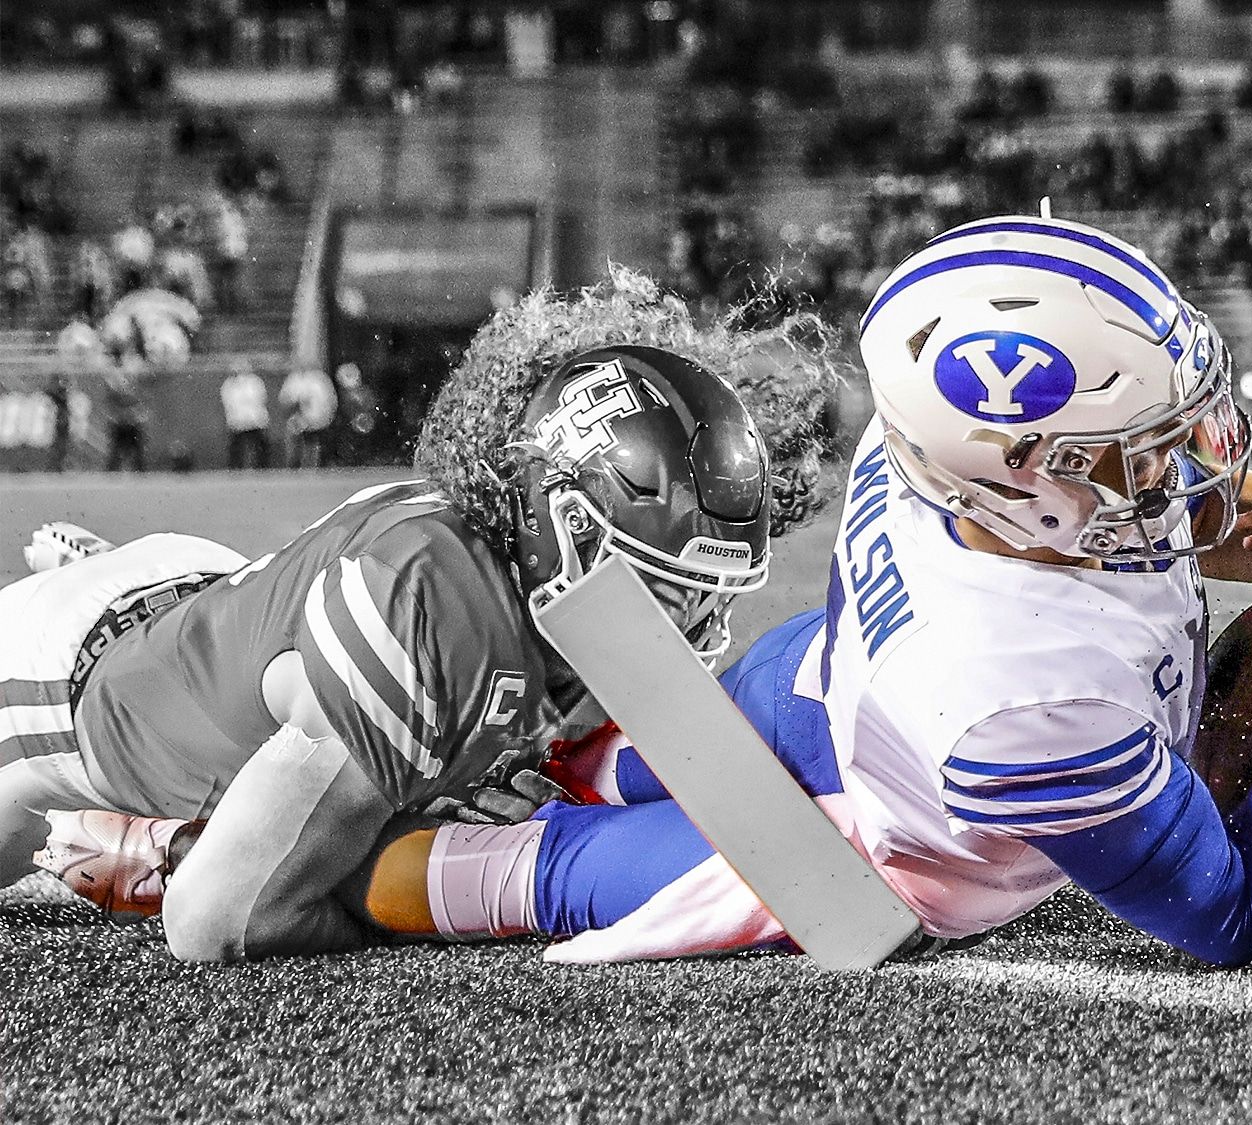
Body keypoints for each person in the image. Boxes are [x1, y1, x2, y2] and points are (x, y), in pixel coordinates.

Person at [210, 215, 1252, 967]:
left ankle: (536, 766)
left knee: (601, 757)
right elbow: (1228, 910)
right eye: (1150, 448)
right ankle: (193, 852)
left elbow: (1131, 522)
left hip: (817, 681)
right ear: (1022, 483)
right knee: (518, 875)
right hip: (887, 851)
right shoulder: (1025, 702)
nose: (1203, 459)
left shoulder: (924, 449)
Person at [14, 270, 837, 962]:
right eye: (668, 590)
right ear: (563, 530)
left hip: (205, 596)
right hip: (52, 682)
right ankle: (153, 832)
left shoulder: (521, 578)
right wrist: (394, 884)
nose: (694, 630)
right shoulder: (431, 606)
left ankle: (104, 565)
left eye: (708, 594)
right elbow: (218, 918)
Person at [278, 364, 337, 468]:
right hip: (297, 419)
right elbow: (285, 399)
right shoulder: (293, 379)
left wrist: (325, 416)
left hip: (316, 420)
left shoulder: (320, 379)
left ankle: (312, 467)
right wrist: (296, 403)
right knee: (295, 445)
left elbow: (329, 400)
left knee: (313, 444)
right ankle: (294, 468)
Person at [220, 360, 270, 470]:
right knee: (236, 448)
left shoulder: (255, 382)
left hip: (255, 420)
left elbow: (260, 399)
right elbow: (229, 403)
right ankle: (235, 470)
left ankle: (262, 469)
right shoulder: (228, 385)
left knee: (260, 446)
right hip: (237, 421)